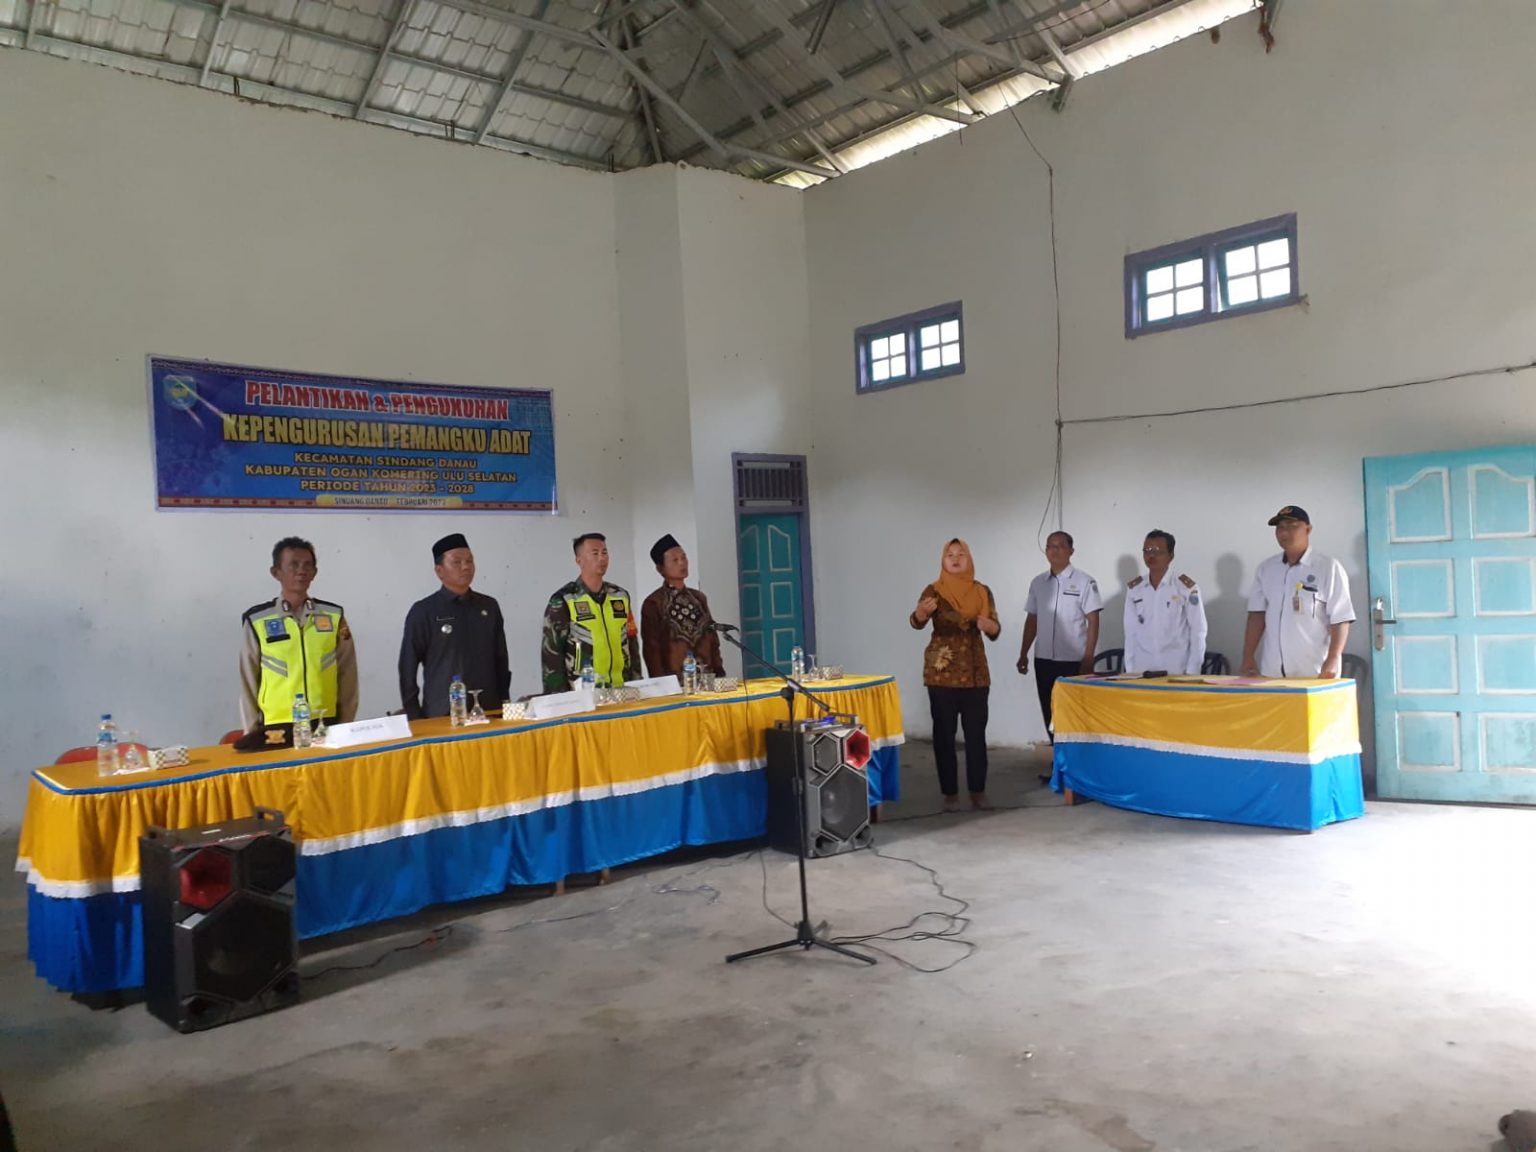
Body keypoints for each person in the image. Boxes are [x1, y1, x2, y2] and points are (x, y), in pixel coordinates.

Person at [909, 539, 1001, 811]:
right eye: (950, 555)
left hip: (975, 673)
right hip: (942, 672)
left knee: (975, 735)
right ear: (943, 561)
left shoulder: (982, 591)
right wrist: (920, 614)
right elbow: (916, 622)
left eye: (961, 554)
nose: (956, 559)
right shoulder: (934, 590)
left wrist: (991, 627)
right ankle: (949, 794)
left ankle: (978, 792)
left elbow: (995, 629)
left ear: (969, 559)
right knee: (944, 736)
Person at [240, 536, 358, 732]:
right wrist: (251, 731)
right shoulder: (257, 620)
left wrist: (345, 726)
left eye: (307, 565)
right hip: (276, 726)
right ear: (276, 572)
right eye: (293, 565)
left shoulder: (334, 616)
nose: (301, 571)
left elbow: (348, 674)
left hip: (324, 722)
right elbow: (248, 680)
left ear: (314, 572)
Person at [398, 533, 510, 719]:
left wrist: (505, 701)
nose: (465, 567)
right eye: (457, 562)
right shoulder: (424, 611)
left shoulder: (488, 606)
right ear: (439, 571)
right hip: (443, 713)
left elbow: (501, 658)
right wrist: (413, 714)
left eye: (469, 561)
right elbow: (407, 666)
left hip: (489, 710)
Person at [1240, 505, 1355, 678]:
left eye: (1292, 526)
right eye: (1280, 527)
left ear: (1308, 529)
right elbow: (1257, 615)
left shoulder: (1328, 568)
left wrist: (1333, 658)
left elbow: (1341, 619)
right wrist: (1248, 656)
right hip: (1272, 671)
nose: (1284, 532)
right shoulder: (1266, 569)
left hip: (1315, 670)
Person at [1017, 530, 1101, 742]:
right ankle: (1058, 757)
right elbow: (1032, 619)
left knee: (1074, 712)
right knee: (1049, 711)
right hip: (1044, 659)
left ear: (1071, 551)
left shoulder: (1085, 582)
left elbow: (1093, 620)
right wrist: (1023, 653)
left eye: (1059, 546)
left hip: (1073, 660)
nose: (1054, 551)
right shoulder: (1038, 583)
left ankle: (1074, 759)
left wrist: (1089, 656)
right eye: (1049, 546)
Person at [543, 532, 642, 692]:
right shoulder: (565, 599)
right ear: (579, 560)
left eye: (604, 552)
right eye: (595, 553)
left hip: (621, 690)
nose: (602, 558)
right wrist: (559, 696)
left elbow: (632, 642)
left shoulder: (620, 596)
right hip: (584, 693)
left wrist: (637, 683)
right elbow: (552, 654)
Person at [640, 534, 726, 680]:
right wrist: (661, 684)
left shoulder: (699, 598)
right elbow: (651, 650)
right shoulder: (654, 603)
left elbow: (712, 638)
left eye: (684, 557)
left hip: (707, 679)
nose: (682, 563)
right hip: (675, 683)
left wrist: (719, 671)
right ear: (660, 568)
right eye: (675, 560)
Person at [1123, 529, 1207, 675]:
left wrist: (1192, 671)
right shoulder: (1135, 589)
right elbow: (1130, 632)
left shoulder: (1185, 588)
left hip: (1176, 669)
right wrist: (1130, 669)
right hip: (1142, 669)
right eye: (1147, 550)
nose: (1151, 555)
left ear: (1171, 556)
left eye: (1157, 551)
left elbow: (1198, 630)